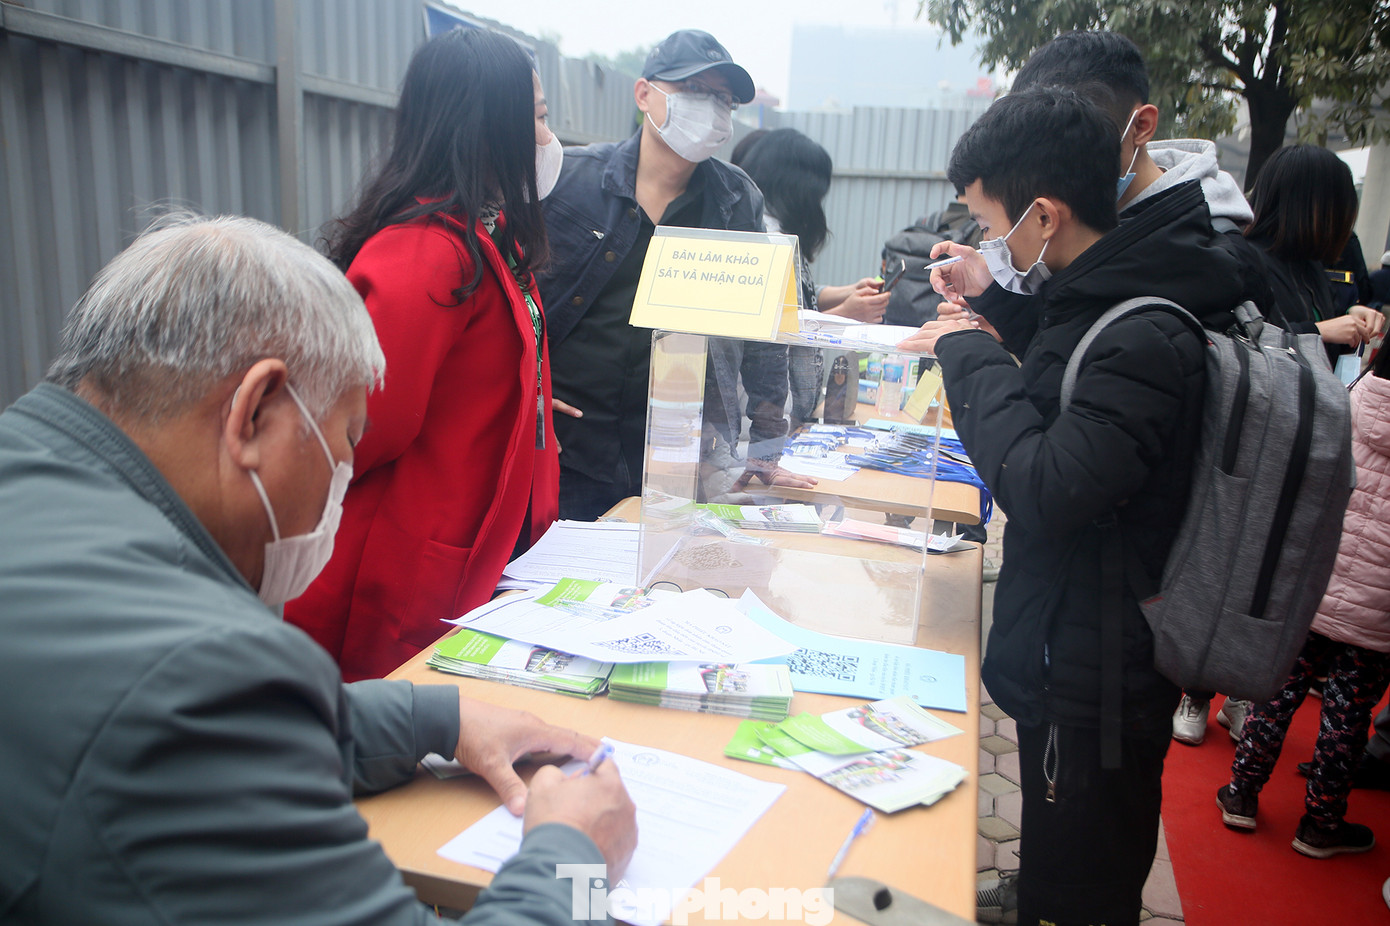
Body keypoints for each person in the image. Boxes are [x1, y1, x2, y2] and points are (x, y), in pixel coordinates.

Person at [0, 213, 636, 925]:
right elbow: (193, 716)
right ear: (255, 414)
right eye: (348, 436)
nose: (344, 470)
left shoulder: (32, 480)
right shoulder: (193, 668)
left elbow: (199, 747)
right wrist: (572, 859)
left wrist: (439, 717)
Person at [898, 86, 1233, 925]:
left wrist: (968, 354)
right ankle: (1040, 889)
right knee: (1059, 835)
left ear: (1044, 217)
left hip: (1104, 671)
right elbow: (1062, 375)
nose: (987, 241)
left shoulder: (1145, 331)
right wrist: (990, 316)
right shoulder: (1098, 292)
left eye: (991, 223)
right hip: (1076, 642)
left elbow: (1047, 489)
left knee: (1089, 867)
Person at [285, 28, 562, 681]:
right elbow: (364, 424)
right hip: (405, 568)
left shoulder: (487, 235)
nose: (550, 140)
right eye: (540, 119)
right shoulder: (426, 254)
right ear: (491, 126)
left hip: (468, 553)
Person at [537, 29, 810, 519]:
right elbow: (514, 301)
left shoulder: (735, 201)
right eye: (696, 92)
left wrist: (767, 448)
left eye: (724, 99)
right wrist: (524, 398)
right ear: (645, 94)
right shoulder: (570, 181)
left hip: (680, 454)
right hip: (569, 450)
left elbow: (764, 331)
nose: (713, 108)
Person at [1217, 343, 1390, 858]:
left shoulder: (1352, 399)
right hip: (1378, 607)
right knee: (1347, 715)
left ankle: (1241, 793)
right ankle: (1320, 823)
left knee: (1279, 689)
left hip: (1318, 580)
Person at [731, 128, 888, 427]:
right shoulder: (766, 240)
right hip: (763, 415)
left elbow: (796, 296)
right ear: (797, 189)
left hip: (782, 412)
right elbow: (773, 328)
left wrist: (846, 292)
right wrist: (846, 314)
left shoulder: (776, 231)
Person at [1242, 144, 1385, 362]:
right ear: (1310, 207)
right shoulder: (1242, 260)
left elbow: (1328, 328)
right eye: (1338, 210)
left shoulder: (1311, 266)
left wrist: (1351, 318)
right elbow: (1242, 342)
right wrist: (1317, 331)